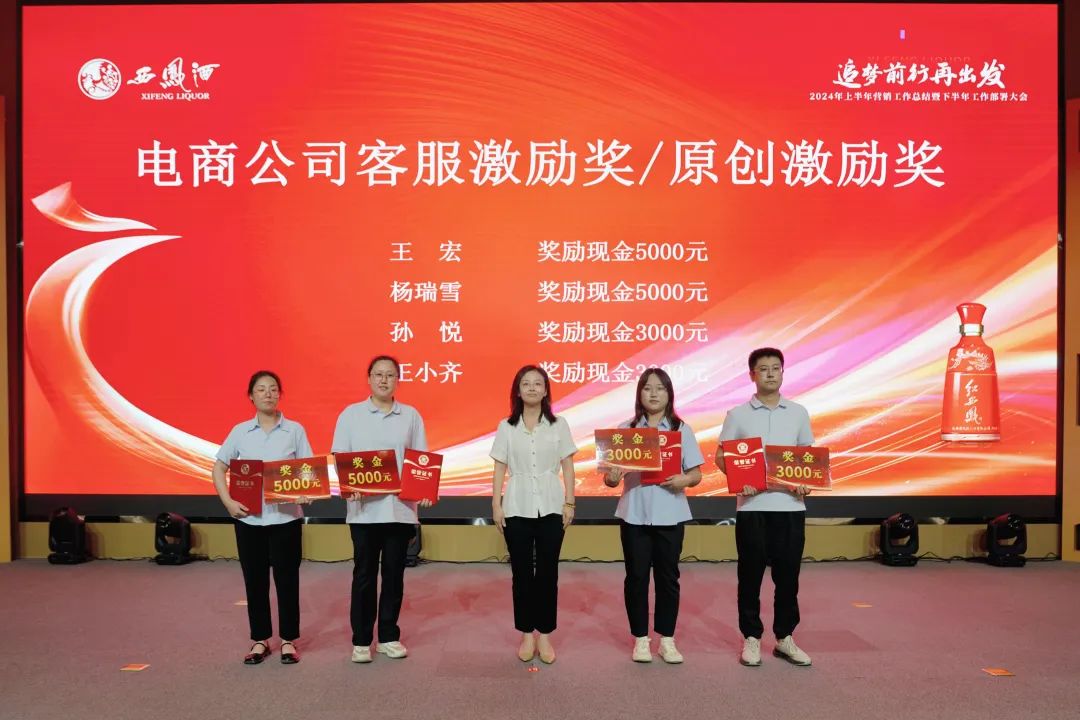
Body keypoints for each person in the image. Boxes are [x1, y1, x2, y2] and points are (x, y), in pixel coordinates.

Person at [715, 347, 814, 668]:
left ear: (783, 372)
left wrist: (805, 481)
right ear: (752, 375)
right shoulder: (737, 415)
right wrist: (737, 478)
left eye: (776, 368)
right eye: (763, 369)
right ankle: (752, 637)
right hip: (752, 507)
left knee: (788, 578)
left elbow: (807, 457)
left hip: (791, 507)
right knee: (750, 576)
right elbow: (721, 456)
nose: (770, 374)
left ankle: (785, 637)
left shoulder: (798, 412)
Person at [332, 355, 432, 664]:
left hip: (399, 510)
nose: (384, 380)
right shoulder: (351, 414)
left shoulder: (410, 415)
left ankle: (388, 636)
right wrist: (349, 484)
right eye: (378, 374)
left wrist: (425, 490)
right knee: (363, 575)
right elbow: (340, 457)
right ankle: (361, 640)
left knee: (393, 575)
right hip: (363, 511)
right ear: (369, 379)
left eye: (390, 375)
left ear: (398, 380)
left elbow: (421, 459)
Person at [602, 368, 704, 664]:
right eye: (648, 388)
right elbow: (610, 479)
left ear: (669, 394)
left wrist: (684, 480)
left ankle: (667, 640)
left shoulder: (681, 429)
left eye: (660, 388)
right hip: (634, 513)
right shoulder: (626, 430)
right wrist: (612, 476)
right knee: (636, 578)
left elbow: (696, 473)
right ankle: (641, 639)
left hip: (670, 513)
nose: (654, 393)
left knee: (668, 578)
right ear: (640, 394)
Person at [213, 370, 313, 665]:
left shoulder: (294, 430)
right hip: (249, 520)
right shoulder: (240, 432)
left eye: (273, 389)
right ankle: (260, 640)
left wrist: (306, 491)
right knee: (254, 581)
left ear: (279, 394)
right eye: (261, 389)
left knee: (287, 580)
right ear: (251, 396)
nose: (268, 394)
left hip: (286, 519)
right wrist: (228, 502)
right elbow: (219, 468)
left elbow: (308, 471)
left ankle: (288, 640)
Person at [491, 365, 577, 664]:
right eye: (525, 383)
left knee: (548, 573)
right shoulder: (506, 426)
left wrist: (570, 503)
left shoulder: (559, 424)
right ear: (517, 390)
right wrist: (496, 505)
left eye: (537, 383)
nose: (531, 388)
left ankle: (546, 634)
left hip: (552, 506)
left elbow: (568, 465)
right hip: (516, 506)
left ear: (545, 390)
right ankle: (527, 634)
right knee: (522, 573)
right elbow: (499, 467)